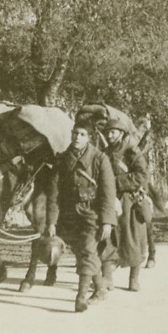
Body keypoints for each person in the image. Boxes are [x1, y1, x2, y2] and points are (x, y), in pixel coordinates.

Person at [53, 122, 116, 312]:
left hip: (92, 214)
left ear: (89, 138)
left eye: (82, 134)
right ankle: (100, 288)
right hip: (70, 215)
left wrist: (107, 221)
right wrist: (51, 221)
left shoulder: (99, 158)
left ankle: (80, 297)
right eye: (74, 133)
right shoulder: (64, 159)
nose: (77, 137)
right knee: (81, 252)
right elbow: (54, 193)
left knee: (89, 251)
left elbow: (108, 192)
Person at [103, 120, 150, 292]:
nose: (110, 135)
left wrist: (115, 182)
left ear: (122, 134)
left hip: (130, 200)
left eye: (113, 132)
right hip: (110, 200)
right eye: (108, 132)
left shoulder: (132, 152)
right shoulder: (105, 153)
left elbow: (142, 176)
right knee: (108, 236)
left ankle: (133, 279)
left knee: (134, 238)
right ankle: (107, 277)